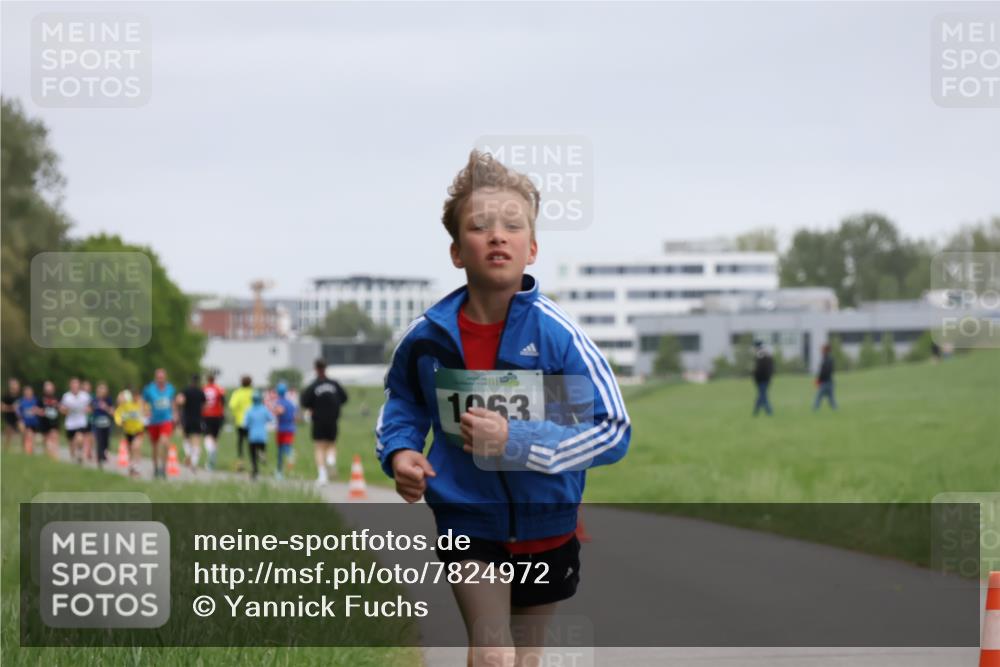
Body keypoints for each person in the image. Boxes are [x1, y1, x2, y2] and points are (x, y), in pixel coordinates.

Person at [374, 150, 630, 666]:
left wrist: (515, 441)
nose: (497, 236)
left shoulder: (559, 336)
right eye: (479, 226)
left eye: (512, 226)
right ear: (456, 252)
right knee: (493, 653)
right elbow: (403, 399)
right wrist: (400, 451)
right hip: (467, 518)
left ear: (531, 249)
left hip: (547, 520)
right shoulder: (427, 338)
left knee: (525, 658)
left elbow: (612, 430)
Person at [300, 359, 348, 485]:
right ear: (326, 368)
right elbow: (344, 398)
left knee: (319, 447)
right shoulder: (334, 384)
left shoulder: (313, 386)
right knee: (331, 444)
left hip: (318, 420)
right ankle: (331, 459)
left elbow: (304, 402)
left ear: (316, 369)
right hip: (333, 419)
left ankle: (322, 475)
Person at [142, 368, 177, 479]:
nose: (160, 380)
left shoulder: (170, 388)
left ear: (165, 378)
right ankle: (156, 468)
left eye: (162, 378)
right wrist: (145, 411)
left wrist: (175, 414)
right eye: (158, 378)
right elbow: (143, 402)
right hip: (153, 421)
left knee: (164, 441)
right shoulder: (149, 389)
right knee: (155, 447)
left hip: (166, 419)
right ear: (155, 378)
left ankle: (164, 468)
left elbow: (172, 402)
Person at [177, 374, 206, 472]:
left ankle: (188, 454)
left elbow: (180, 401)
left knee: (186, 437)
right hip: (197, 418)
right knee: (197, 440)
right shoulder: (200, 392)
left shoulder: (185, 391)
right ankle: (194, 462)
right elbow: (204, 404)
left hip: (187, 418)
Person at [242, 391, 273, 480]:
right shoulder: (264, 409)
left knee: (252, 455)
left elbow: (245, 424)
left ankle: (254, 471)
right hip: (262, 436)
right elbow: (271, 419)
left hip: (252, 436)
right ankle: (262, 454)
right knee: (261, 450)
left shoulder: (249, 410)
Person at [114, 389, 146, 478]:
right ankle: (132, 467)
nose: (137, 398)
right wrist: (120, 422)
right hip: (128, 431)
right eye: (135, 396)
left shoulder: (140, 405)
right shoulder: (126, 405)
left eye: (138, 397)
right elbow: (118, 414)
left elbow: (147, 411)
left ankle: (137, 468)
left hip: (138, 430)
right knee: (130, 450)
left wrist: (144, 410)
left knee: (136, 447)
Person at [60, 377, 92, 463]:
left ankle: (80, 453)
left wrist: (88, 410)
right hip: (70, 423)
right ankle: (73, 457)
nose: (75, 386)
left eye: (76, 384)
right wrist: (66, 410)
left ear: (79, 386)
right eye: (73, 384)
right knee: (71, 443)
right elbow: (62, 409)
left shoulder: (85, 396)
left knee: (79, 438)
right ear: (70, 386)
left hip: (81, 422)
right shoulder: (66, 396)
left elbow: (90, 407)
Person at [228, 376, 254, 472]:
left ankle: (240, 463)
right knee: (251, 443)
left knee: (240, 443)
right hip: (252, 422)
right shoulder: (254, 392)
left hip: (240, 421)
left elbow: (232, 405)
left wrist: (236, 413)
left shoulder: (237, 393)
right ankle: (253, 463)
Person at [272, 382, 297, 480]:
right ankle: (280, 470)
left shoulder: (279, 402)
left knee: (281, 451)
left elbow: (280, 411)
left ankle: (280, 470)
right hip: (290, 428)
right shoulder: (290, 403)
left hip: (282, 429)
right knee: (285, 447)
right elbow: (294, 415)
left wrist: (274, 411)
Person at [201, 373, 225, 471]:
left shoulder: (203, 389)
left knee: (207, 436)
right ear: (214, 379)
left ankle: (210, 454)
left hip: (206, 415)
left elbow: (201, 402)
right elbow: (223, 401)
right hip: (217, 415)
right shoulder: (219, 389)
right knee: (215, 438)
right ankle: (213, 458)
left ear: (207, 379)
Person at [91, 382, 115, 468]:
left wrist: (106, 407)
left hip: (106, 424)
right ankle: (99, 459)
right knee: (99, 441)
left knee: (105, 442)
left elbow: (112, 412)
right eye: (100, 388)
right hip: (97, 424)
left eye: (103, 389)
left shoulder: (108, 400)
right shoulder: (94, 399)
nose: (101, 390)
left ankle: (104, 454)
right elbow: (90, 410)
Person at [37, 381, 61, 459]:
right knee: (46, 440)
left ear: (53, 389)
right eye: (47, 389)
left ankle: (55, 456)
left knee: (54, 437)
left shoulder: (57, 398)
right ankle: (47, 456)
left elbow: (61, 408)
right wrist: (41, 412)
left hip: (54, 422)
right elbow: (37, 409)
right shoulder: (40, 399)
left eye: (50, 389)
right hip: (44, 422)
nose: (49, 391)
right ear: (44, 390)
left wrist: (59, 407)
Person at [752, 340, 774, 416]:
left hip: (762, 379)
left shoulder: (760, 355)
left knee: (763, 396)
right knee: (762, 395)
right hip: (765, 378)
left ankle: (768, 411)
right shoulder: (767, 354)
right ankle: (756, 411)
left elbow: (760, 369)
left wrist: (755, 374)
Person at [813, 344, 837, 411]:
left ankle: (814, 410)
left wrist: (819, 380)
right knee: (831, 400)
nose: (821, 351)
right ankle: (836, 410)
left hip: (825, 382)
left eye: (822, 350)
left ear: (826, 350)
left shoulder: (827, 360)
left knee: (818, 397)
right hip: (829, 382)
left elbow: (824, 372)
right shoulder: (828, 359)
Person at [17, 385, 40, 454]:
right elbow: (18, 411)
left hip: (34, 422)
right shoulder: (21, 401)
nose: (28, 393)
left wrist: (37, 410)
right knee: (27, 435)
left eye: (29, 391)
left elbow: (40, 410)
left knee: (32, 437)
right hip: (25, 422)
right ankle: (26, 450)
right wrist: (20, 419)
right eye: (26, 391)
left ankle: (31, 450)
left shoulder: (36, 400)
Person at [1, 377, 21, 449]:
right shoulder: (6, 396)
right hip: (9, 418)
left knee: (23, 430)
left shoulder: (19, 397)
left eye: (16, 384)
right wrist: (12, 408)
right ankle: (6, 448)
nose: (15, 386)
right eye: (14, 384)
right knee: (8, 433)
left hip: (18, 418)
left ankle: (25, 448)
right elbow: (2, 408)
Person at [81, 379, 95, 461]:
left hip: (91, 419)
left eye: (88, 386)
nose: (86, 388)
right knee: (84, 436)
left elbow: (95, 407)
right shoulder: (80, 397)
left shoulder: (92, 397)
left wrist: (91, 409)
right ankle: (85, 452)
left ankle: (89, 451)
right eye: (85, 386)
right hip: (82, 420)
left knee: (91, 436)